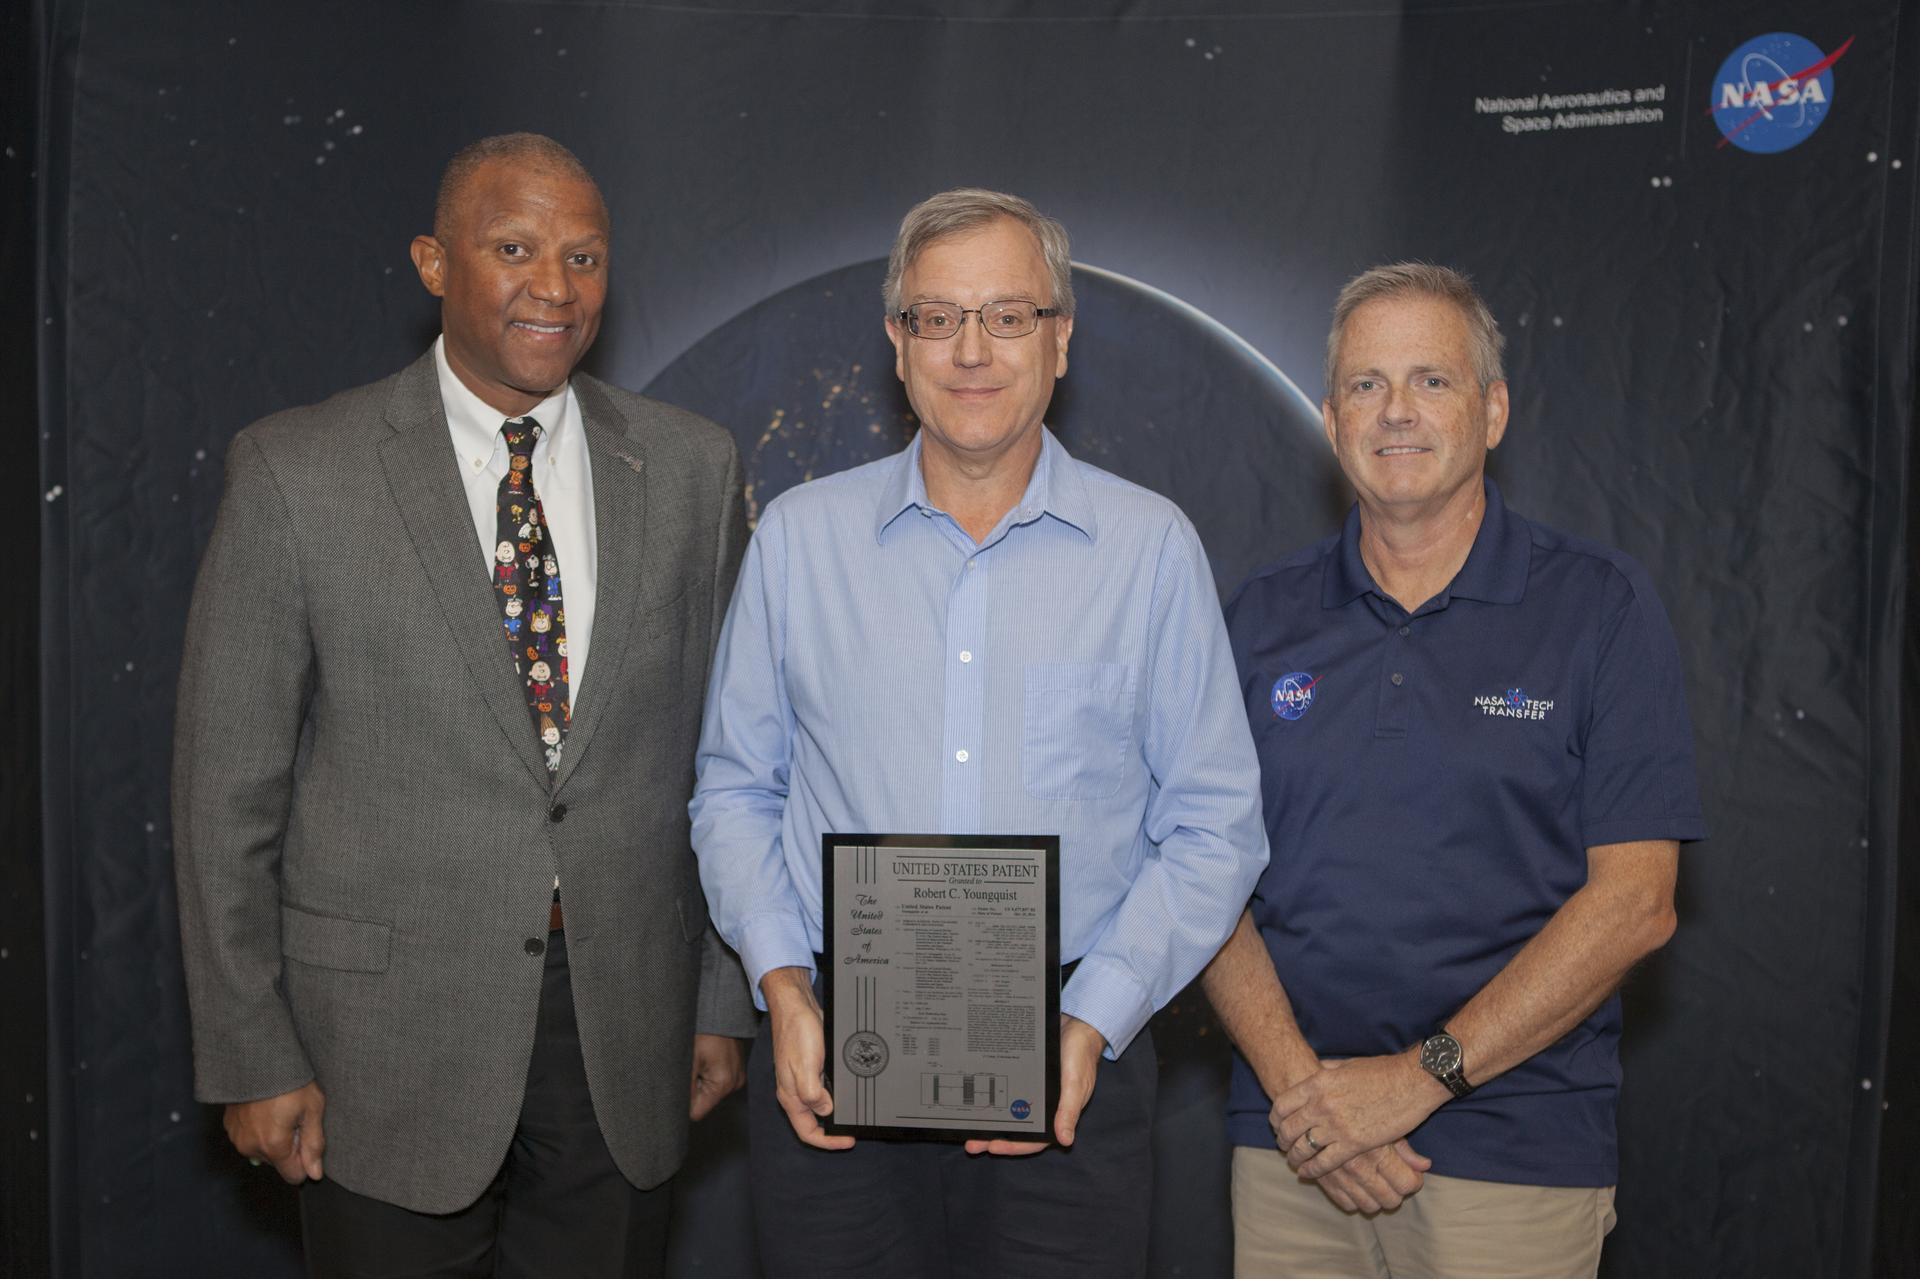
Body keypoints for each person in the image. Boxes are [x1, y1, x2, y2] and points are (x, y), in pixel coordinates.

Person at [172, 132, 755, 1278]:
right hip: (377, 1048)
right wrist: (250, 1048)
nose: (556, 287)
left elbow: (729, 757)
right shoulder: (298, 472)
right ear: (435, 262)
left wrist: (720, 998)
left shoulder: (692, 469)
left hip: (623, 1031)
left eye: (584, 257)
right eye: (515, 249)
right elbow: (223, 791)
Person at [687, 188, 1268, 1277]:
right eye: (937, 317)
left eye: (1007, 316)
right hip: (831, 1052)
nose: (970, 350)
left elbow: (1215, 826)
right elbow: (734, 791)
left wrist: (1092, 1019)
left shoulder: (1150, 550)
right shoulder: (800, 542)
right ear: (896, 341)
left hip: (1074, 1061)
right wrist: (782, 986)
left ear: (1061, 338)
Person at [1202, 262, 1706, 1278]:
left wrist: (1414, 1080)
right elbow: (1200, 874)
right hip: (1294, 1146)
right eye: (1366, 384)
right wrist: (1309, 1094)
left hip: (1513, 1152)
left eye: (1431, 380)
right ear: (1333, 419)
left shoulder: (1598, 608)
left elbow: (1637, 903)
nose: (1396, 410)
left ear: (1494, 411)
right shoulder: (1255, 618)